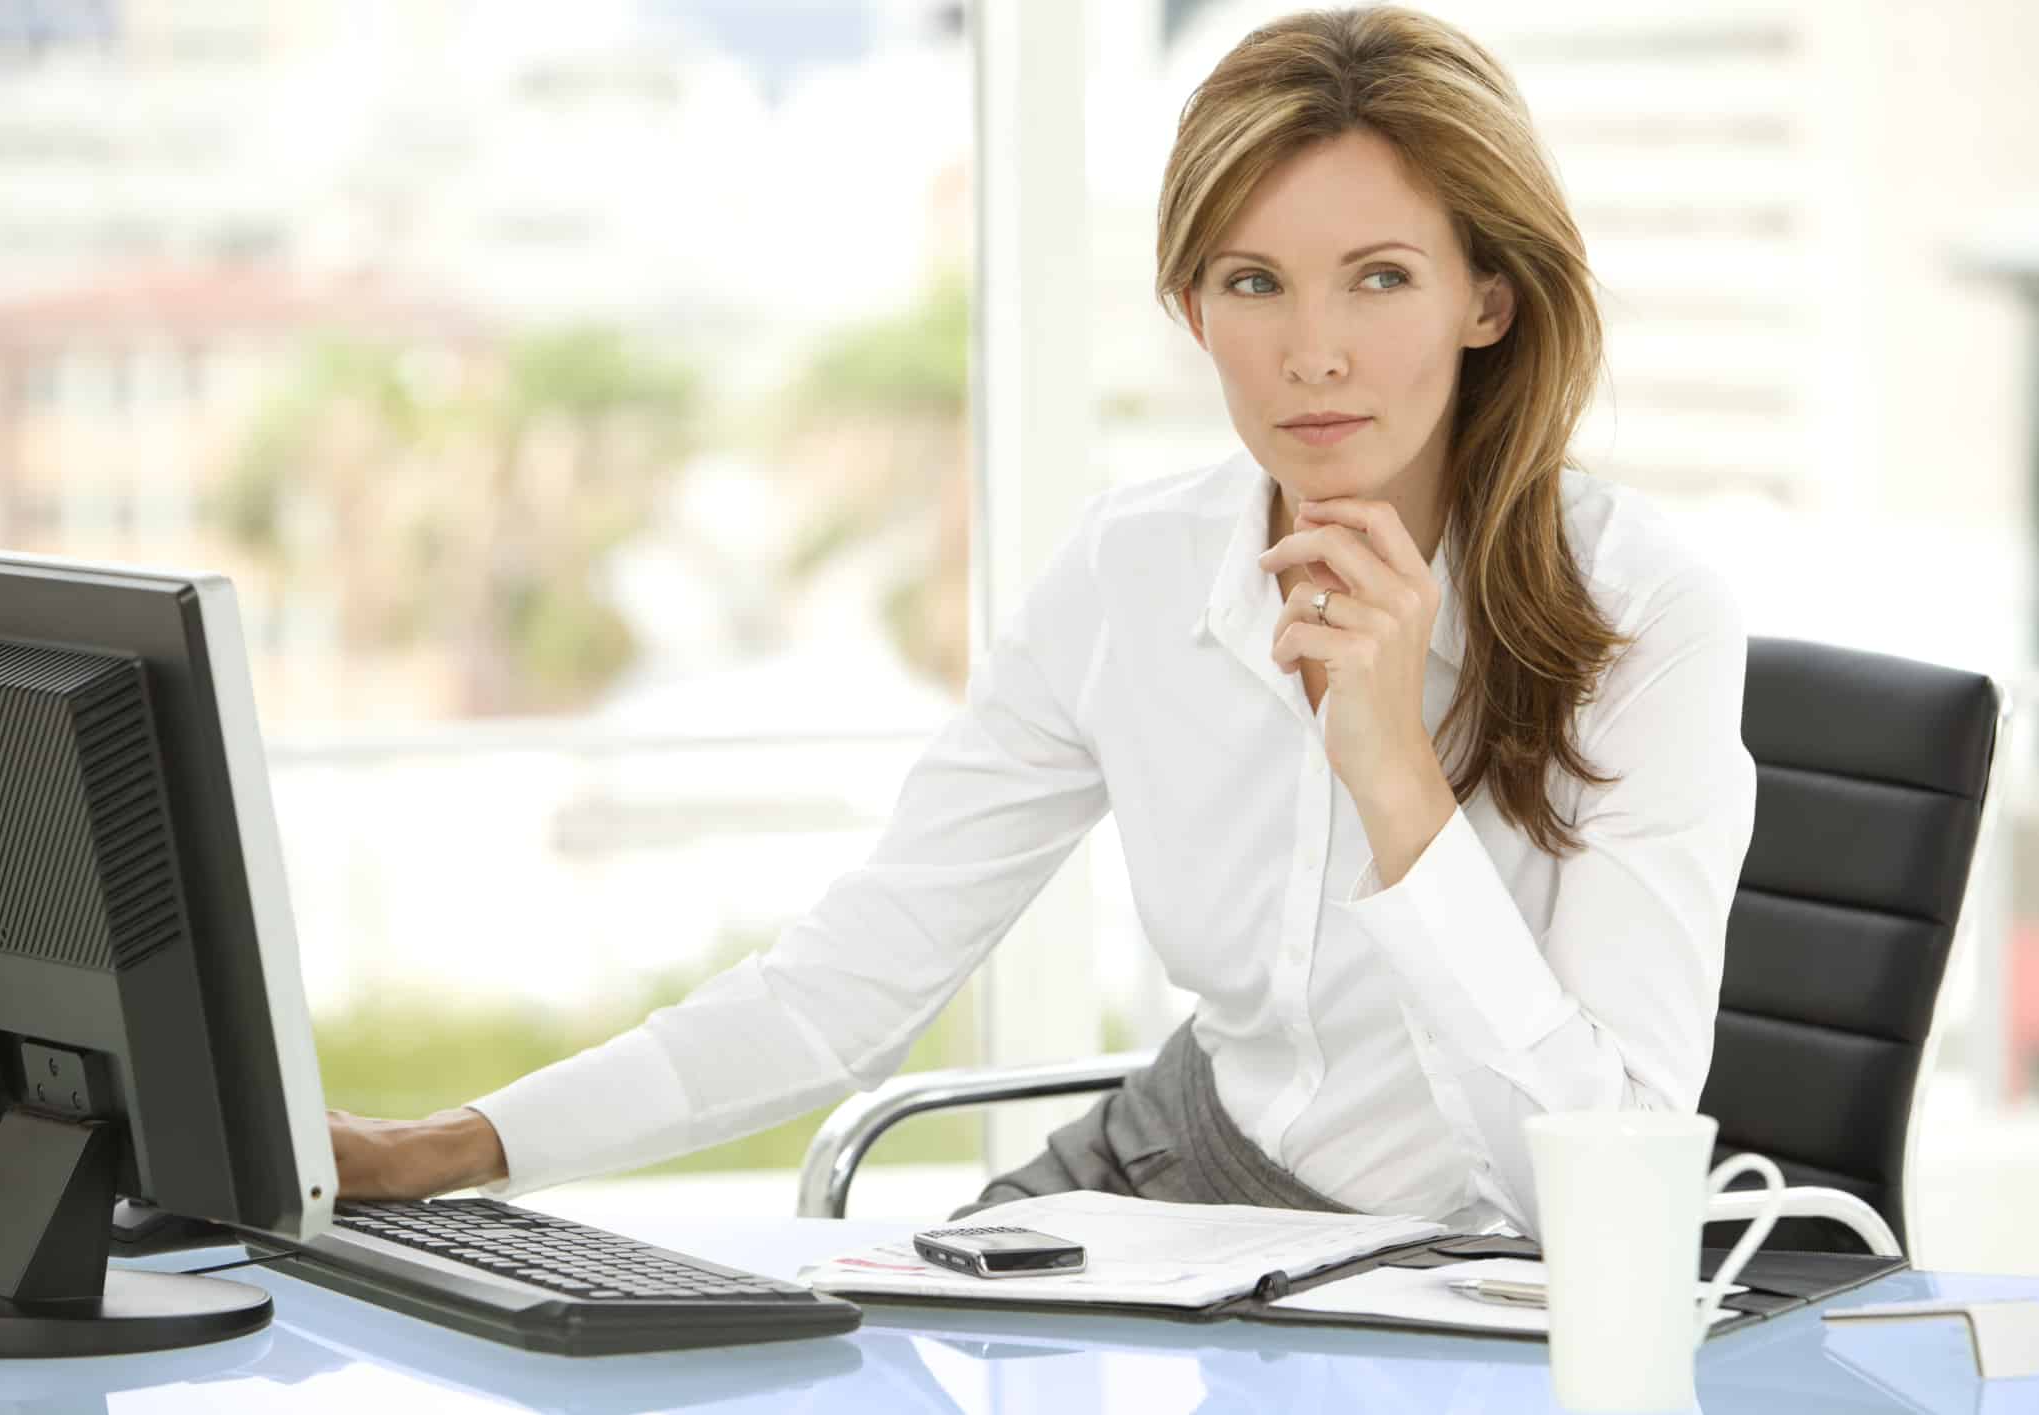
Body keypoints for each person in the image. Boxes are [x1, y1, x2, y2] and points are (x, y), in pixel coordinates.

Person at [328, 5, 1755, 1237]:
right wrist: (445, 1148)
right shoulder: (1132, 572)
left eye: (1379, 277)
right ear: (1191, 309)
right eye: (1250, 282)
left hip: (1470, 1261)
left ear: (1487, 299)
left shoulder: (1647, 620)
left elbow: (1593, 1196)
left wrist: (1393, 776)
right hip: (1175, 1175)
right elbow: (849, 980)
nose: (1309, 351)